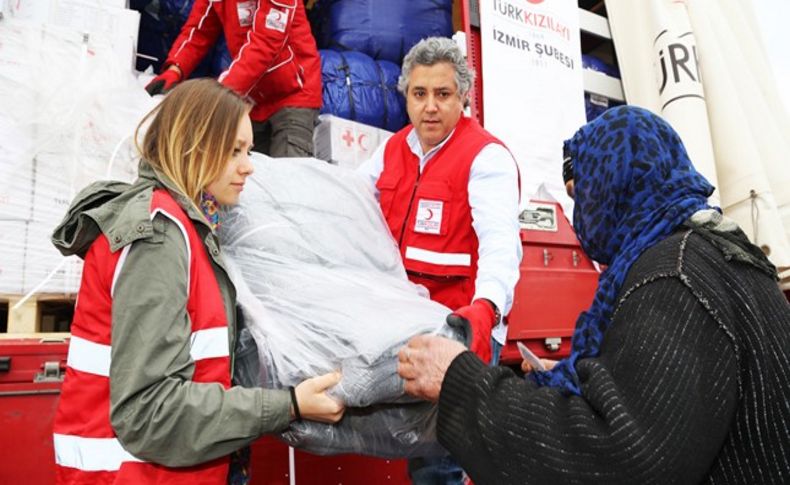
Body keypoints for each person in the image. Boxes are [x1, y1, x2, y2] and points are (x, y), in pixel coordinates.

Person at [397, 105, 790, 484]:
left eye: (582, 192)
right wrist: (583, 378)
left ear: (616, 183)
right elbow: (673, 400)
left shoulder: (672, 276)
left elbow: (616, 455)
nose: (579, 213)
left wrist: (458, 382)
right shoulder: (719, 251)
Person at [51, 79, 344, 484]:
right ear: (194, 145)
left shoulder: (192, 228)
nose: (249, 165)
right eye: (234, 151)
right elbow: (150, 412)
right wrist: (287, 405)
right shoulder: (158, 238)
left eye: (248, 149)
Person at [357, 37, 522, 484]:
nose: (430, 107)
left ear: (463, 97)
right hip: (405, 328)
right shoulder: (392, 151)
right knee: (420, 451)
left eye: (443, 95)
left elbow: (501, 246)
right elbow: (348, 203)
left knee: (442, 460)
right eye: (419, 94)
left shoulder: (485, 157)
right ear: (405, 96)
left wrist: (484, 312)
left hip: (458, 332)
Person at [145, 0, 321, 158]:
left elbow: (267, 42)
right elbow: (198, 31)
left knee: (288, 179)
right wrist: (175, 69)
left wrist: (218, 93)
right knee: (251, 179)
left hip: (294, 94)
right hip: (251, 97)